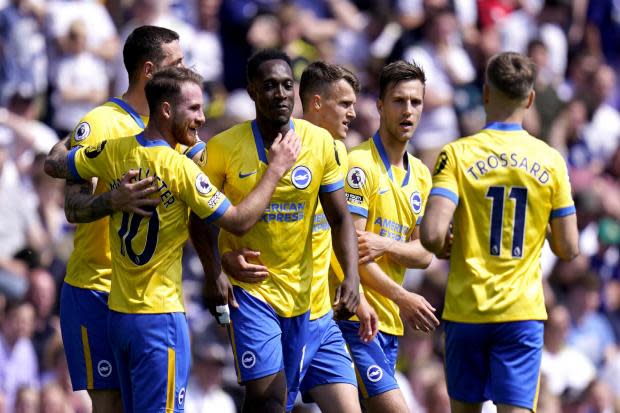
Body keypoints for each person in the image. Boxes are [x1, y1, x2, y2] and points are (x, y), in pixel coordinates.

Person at [52, 66, 300, 413]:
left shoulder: (115, 151)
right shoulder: (179, 168)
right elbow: (239, 221)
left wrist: (77, 135)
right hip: (160, 320)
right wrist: (276, 169)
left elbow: (56, 165)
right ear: (166, 110)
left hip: (120, 317)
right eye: (194, 109)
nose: (201, 119)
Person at [191, 49, 360, 413]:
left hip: (309, 301)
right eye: (270, 86)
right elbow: (199, 219)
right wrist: (216, 271)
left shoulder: (319, 143)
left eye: (287, 85)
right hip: (254, 293)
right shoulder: (223, 148)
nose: (281, 94)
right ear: (252, 91)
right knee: (269, 398)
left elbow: (340, 218)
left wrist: (352, 276)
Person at [420, 51, 580, 413]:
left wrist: (448, 243)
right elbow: (569, 247)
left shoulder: (457, 154)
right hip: (520, 313)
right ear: (530, 99)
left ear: (486, 92)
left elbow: (431, 235)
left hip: (467, 309)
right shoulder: (551, 160)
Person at [43, 25, 188, 413]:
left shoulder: (176, 125)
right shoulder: (102, 123)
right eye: (177, 62)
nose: (186, 69)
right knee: (110, 406)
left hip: (146, 299)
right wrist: (114, 199)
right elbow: (72, 207)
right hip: (96, 287)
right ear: (149, 70)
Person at [340, 60, 439, 413]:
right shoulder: (360, 165)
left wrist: (385, 245)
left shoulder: (422, 176)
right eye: (399, 101)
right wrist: (402, 296)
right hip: (355, 318)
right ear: (380, 106)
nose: (408, 110)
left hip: (391, 325)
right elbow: (349, 253)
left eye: (416, 102)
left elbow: (425, 253)